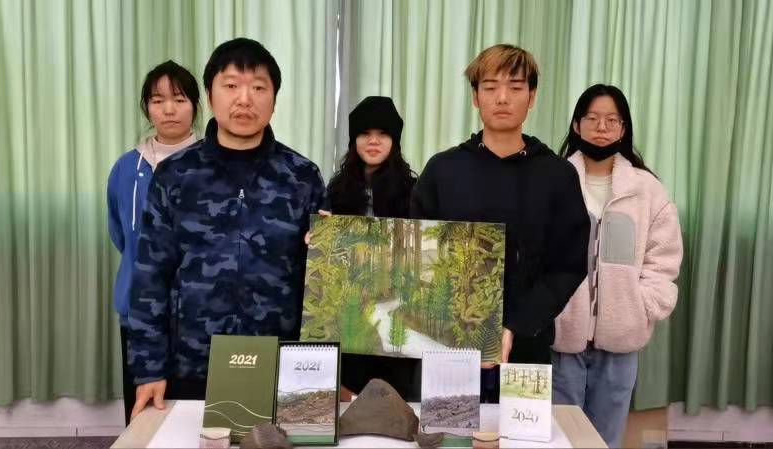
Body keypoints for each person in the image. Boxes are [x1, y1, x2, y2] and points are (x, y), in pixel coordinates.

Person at [127, 38, 327, 420]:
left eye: (258, 87)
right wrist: (149, 367)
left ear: (274, 98)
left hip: (280, 364)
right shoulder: (175, 175)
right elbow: (150, 276)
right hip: (193, 363)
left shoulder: (301, 176)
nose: (244, 99)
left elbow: (321, 283)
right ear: (210, 95)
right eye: (231, 85)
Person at [411, 44, 590, 402]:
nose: (502, 97)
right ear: (475, 97)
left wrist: (516, 326)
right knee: (448, 428)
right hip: (449, 345)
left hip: (527, 345)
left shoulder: (557, 175)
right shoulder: (443, 170)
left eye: (516, 87)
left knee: (518, 429)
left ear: (532, 97)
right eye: (490, 87)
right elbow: (416, 252)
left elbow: (568, 265)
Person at [552, 84, 683, 448]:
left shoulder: (647, 190)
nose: (602, 127)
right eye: (592, 118)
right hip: (562, 339)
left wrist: (642, 307)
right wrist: (550, 313)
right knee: (560, 439)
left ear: (624, 128)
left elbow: (663, 259)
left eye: (612, 120)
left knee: (604, 441)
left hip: (620, 344)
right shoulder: (554, 181)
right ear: (577, 125)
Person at [106, 60, 199, 425]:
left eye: (179, 99)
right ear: (147, 108)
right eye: (158, 101)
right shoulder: (126, 168)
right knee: (145, 418)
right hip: (139, 311)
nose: (169, 109)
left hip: (198, 316)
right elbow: (121, 233)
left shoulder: (210, 164)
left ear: (196, 104)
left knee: (194, 418)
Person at [326, 96, 420, 400]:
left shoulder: (413, 191)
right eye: (365, 133)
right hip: (347, 310)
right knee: (348, 395)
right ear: (354, 139)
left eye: (383, 134)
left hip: (397, 307)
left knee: (394, 398)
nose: (374, 141)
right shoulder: (336, 190)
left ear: (395, 140)